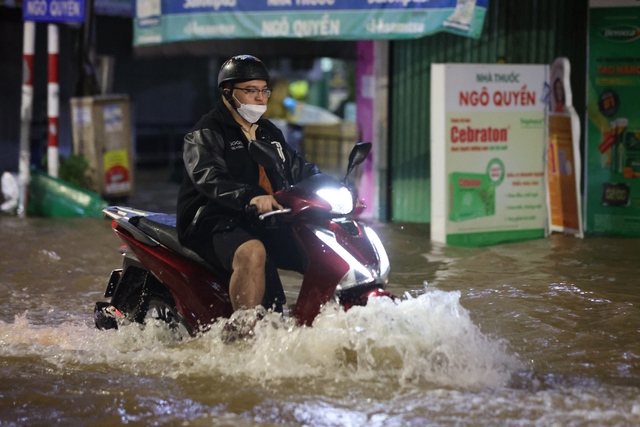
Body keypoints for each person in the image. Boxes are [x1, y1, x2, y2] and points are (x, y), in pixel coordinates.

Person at [176, 55, 320, 316]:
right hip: (214, 220)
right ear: (228, 93)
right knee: (253, 252)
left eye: (264, 90)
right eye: (251, 91)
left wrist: (331, 186)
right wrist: (251, 197)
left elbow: (299, 168)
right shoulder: (206, 132)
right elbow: (210, 178)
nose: (261, 98)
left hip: (264, 218)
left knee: (318, 249)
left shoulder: (268, 132)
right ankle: (244, 334)